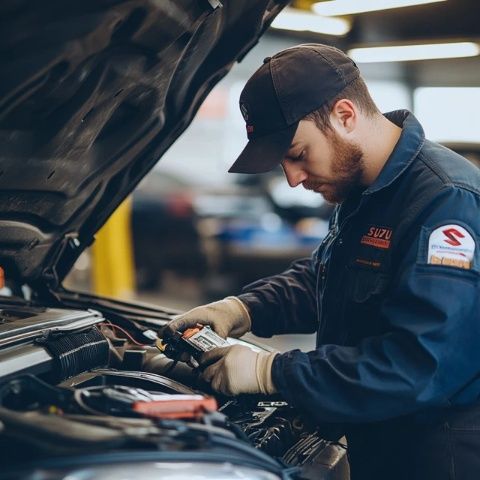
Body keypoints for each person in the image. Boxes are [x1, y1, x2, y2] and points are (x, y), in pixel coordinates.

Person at [165, 44, 480, 479]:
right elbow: (329, 277)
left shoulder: (446, 204)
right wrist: (243, 309)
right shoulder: (366, 191)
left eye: (296, 154)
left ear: (345, 116)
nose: (292, 178)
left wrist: (271, 371)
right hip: (380, 442)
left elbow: (418, 364)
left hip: (439, 459)